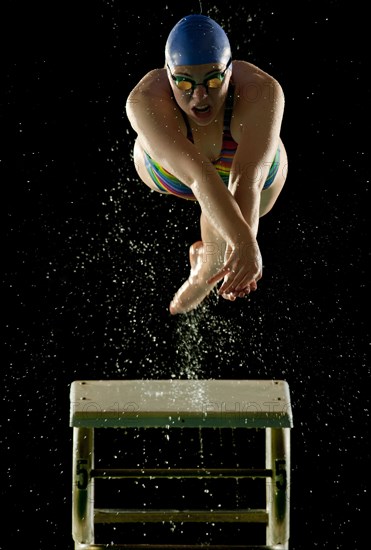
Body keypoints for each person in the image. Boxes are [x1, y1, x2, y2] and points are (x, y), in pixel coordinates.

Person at [126, 14, 288, 315]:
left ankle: (207, 267)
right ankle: (208, 269)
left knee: (234, 228)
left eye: (213, 80)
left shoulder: (261, 89)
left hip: (245, 171)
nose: (199, 96)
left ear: (230, 72)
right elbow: (199, 176)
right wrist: (242, 245)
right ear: (168, 74)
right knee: (212, 189)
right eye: (184, 83)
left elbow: (248, 177)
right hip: (173, 173)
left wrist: (244, 247)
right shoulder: (145, 99)